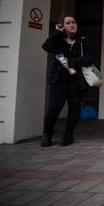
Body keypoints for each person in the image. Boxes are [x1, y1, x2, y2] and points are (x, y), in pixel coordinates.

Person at [40, 14, 94, 147]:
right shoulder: (58, 39)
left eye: (74, 22)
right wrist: (57, 33)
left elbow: (89, 59)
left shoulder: (83, 40)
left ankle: (68, 136)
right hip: (58, 79)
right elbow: (46, 47)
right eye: (68, 23)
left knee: (74, 109)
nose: (72, 25)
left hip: (76, 81)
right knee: (53, 108)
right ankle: (47, 136)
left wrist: (71, 62)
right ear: (63, 26)